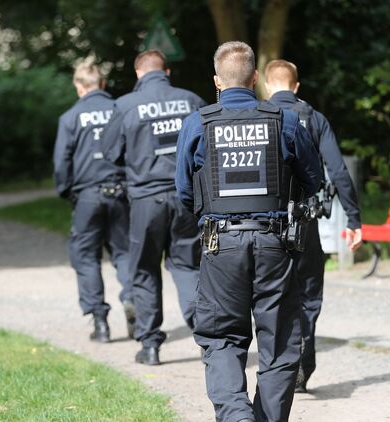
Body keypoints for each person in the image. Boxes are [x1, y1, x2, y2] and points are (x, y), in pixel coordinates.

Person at [175, 41, 322, 422]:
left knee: (222, 336)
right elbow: (313, 179)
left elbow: (185, 192)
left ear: (216, 81)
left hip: (221, 244)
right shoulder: (283, 120)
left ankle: (237, 416)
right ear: (255, 77)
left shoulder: (198, 123)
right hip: (275, 243)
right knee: (280, 341)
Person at [100, 49, 206, 366]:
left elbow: (109, 152)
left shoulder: (124, 105)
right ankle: (206, 336)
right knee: (188, 266)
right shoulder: (190, 100)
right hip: (185, 198)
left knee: (145, 269)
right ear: (167, 72)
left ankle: (149, 346)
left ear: (138, 74)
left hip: (146, 200)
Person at [264, 59, 363, 393]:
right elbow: (338, 172)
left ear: (267, 85)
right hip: (304, 222)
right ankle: (302, 364)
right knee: (307, 294)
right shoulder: (314, 118)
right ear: (296, 86)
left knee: (270, 294)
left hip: (265, 223)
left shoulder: (259, 117)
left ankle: (278, 365)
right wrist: (353, 220)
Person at [53, 62, 132, 343]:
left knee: (86, 257)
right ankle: (132, 299)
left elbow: (62, 162)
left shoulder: (70, 118)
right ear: (103, 84)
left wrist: (66, 191)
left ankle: (100, 322)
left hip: (87, 195)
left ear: (79, 87)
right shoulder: (120, 110)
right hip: (120, 192)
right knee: (124, 252)